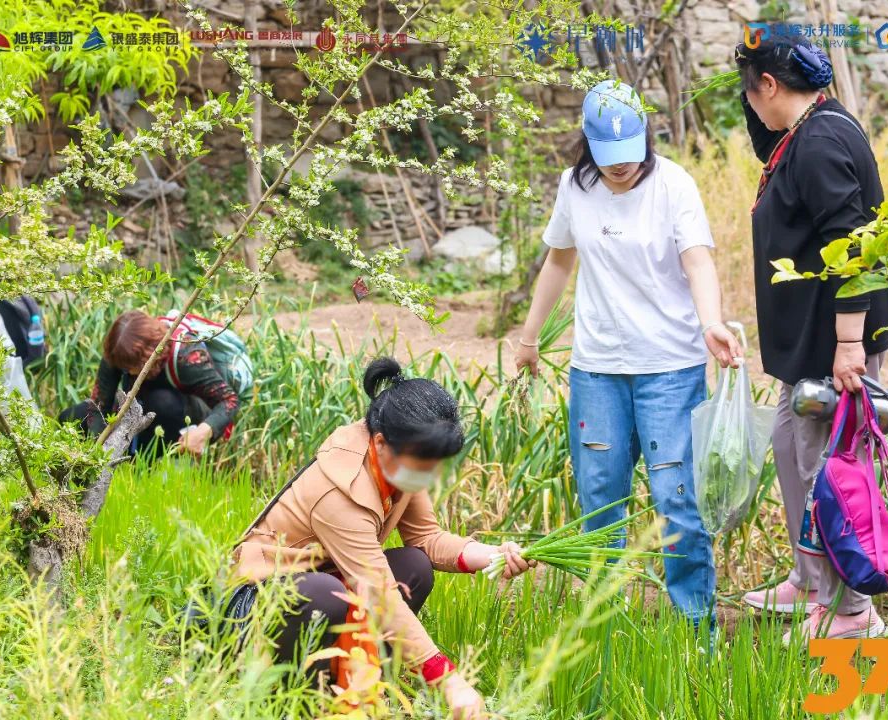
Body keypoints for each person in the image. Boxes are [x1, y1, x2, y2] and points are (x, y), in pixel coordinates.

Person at [514, 79, 742, 635]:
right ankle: (603, 626)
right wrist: (529, 337)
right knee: (599, 502)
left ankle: (697, 629)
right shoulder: (575, 187)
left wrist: (711, 321)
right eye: (608, 158)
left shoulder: (674, 186)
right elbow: (558, 264)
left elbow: (698, 262)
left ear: (646, 137)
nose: (621, 168)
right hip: (597, 371)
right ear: (588, 144)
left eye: (630, 155)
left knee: (675, 500)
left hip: (669, 366)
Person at [227, 357, 533, 719]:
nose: (429, 477)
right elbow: (377, 593)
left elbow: (427, 539)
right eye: (424, 466)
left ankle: (364, 685)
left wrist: (494, 555)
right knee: (325, 593)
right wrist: (449, 681)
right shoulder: (341, 491)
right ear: (380, 441)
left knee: (413, 566)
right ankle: (300, 695)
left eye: (435, 466)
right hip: (253, 608)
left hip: (328, 577)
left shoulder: (398, 457)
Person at [732, 36, 888, 642]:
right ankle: (811, 582)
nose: (750, 108)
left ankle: (850, 610)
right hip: (807, 342)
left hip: (836, 341)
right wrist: (744, 70)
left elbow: (853, 241)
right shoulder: (803, 131)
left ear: (772, 87)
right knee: (792, 453)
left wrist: (851, 344)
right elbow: (764, 134)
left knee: (832, 469)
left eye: (752, 93)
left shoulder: (822, 140)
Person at [59, 310, 240, 457]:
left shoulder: (187, 356)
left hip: (183, 413)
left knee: (161, 402)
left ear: (147, 357)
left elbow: (229, 400)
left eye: (130, 367)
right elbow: (98, 408)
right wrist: (97, 452)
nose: (127, 372)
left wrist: (202, 433)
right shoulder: (117, 352)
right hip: (138, 406)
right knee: (72, 417)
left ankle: (145, 464)